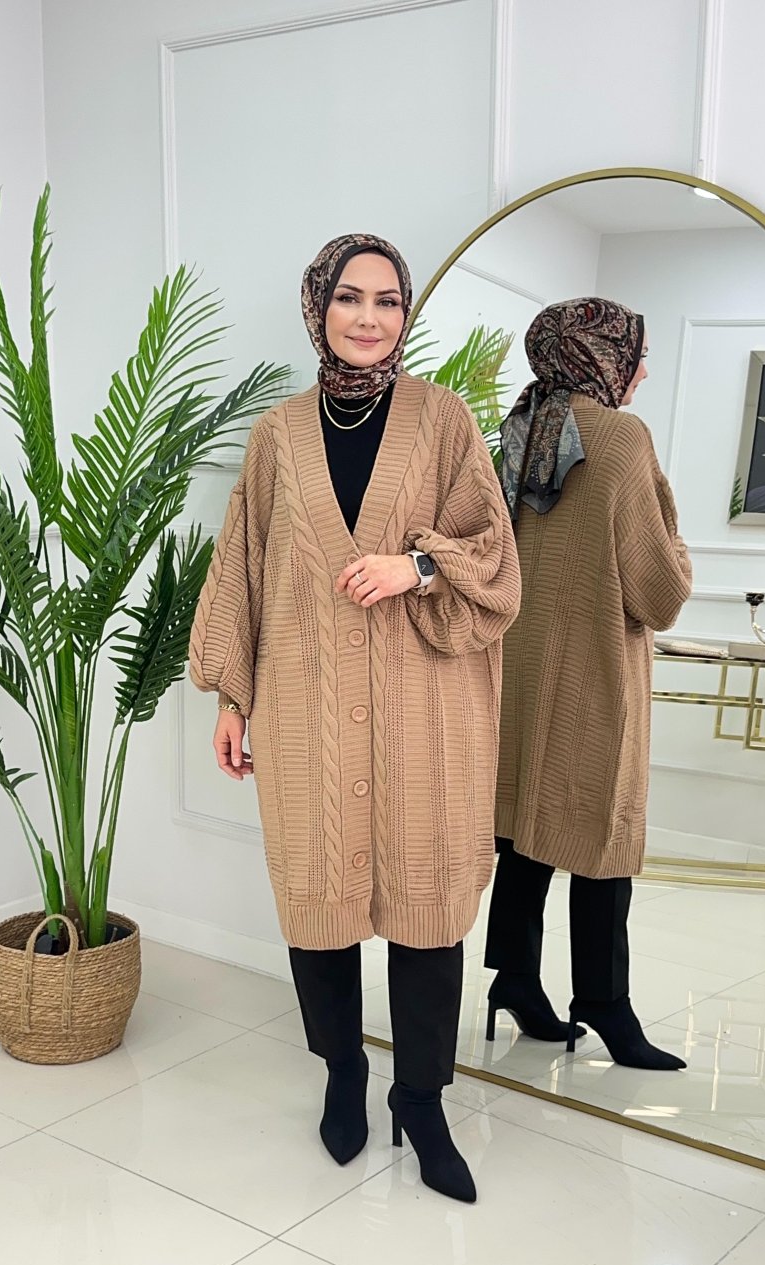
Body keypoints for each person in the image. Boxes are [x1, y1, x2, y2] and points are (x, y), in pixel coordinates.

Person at [189, 233, 520, 1202]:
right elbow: (244, 565)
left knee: (427, 909)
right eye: (349, 297)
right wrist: (234, 697)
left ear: (404, 315)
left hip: (424, 710)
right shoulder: (278, 435)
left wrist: (415, 567)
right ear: (317, 307)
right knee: (318, 900)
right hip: (305, 705)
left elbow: (494, 552)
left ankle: (422, 1098)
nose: (368, 318)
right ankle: (343, 1070)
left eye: (387, 301)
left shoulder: (444, 419)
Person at [484, 297, 692, 1071]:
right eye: (638, 355)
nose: (642, 372)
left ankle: (514, 978)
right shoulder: (621, 437)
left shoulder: (519, 428)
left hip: (513, 672)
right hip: (592, 678)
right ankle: (604, 1001)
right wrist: (676, 537)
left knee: (525, 826)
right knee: (602, 831)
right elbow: (660, 592)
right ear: (603, 357)